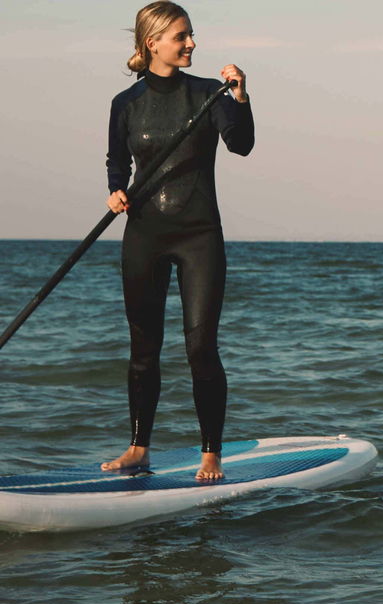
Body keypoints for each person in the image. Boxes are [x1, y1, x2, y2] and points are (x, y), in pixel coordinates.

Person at [101, 1, 254, 480]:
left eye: (191, 35)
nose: (192, 43)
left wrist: (241, 97)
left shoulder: (210, 94)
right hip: (144, 234)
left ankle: (211, 452)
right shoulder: (125, 103)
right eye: (182, 36)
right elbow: (116, 162)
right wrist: (115, 191)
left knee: (200, 347)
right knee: (143, 349)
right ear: (154, 43)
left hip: (198, 236)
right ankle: (138, 449)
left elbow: (241, 144)